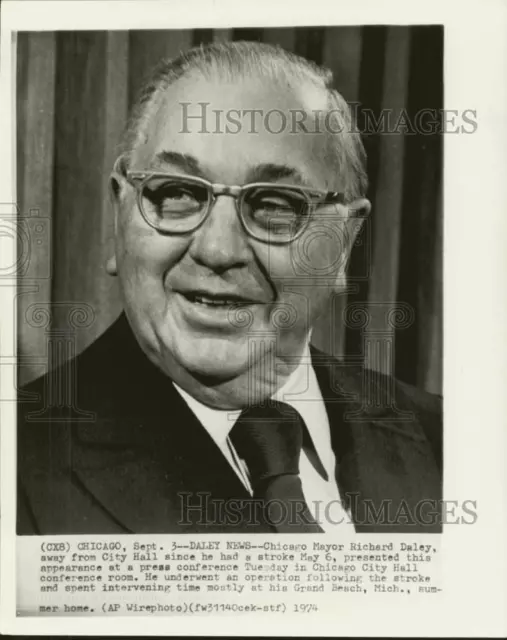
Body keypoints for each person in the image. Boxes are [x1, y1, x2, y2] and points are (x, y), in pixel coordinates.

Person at [17, 41, 442, 535]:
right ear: (121, 213)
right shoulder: (20, 462)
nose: (218, 250)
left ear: (345, 242)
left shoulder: (452, 443)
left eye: (277, 204)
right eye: (175, 193)